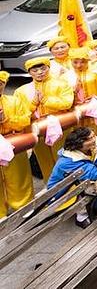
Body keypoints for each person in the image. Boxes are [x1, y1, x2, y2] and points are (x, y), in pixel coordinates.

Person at [15, 57, 74, 178]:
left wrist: (46, 100)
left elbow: (67, 103)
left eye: (43, 69)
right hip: (37, 130)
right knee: (45, 161)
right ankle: (51, 188)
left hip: (60, 127)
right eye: (35, 70)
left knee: (64, 158)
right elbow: (21, 112)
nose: (39, 72)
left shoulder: (61, 84)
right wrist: (33, 104)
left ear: (49, 68)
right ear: (29, 72)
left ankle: (71, 191)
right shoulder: (21, 91)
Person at [0, 70, 34, 213]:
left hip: (14, 142)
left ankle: (24, 207)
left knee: (19, 176)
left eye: (0, 84)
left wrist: (6, 120)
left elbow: (25, 120)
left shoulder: (14, 100)